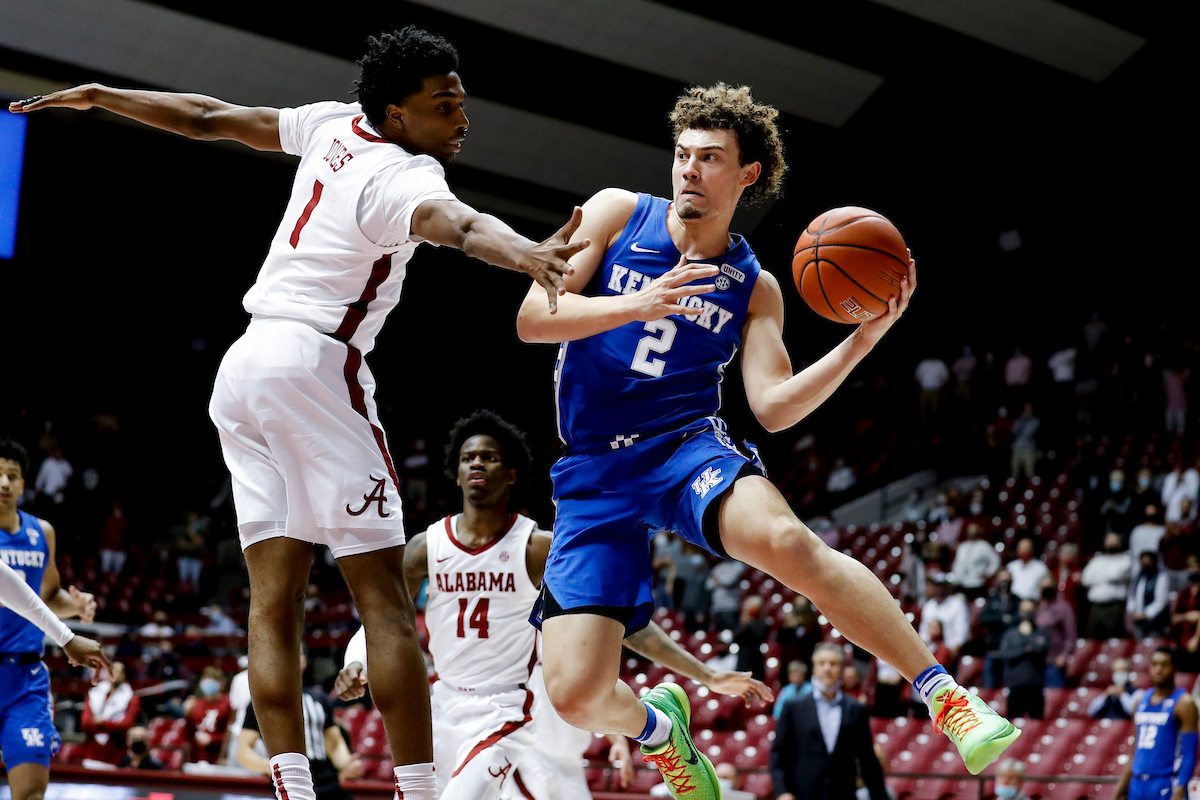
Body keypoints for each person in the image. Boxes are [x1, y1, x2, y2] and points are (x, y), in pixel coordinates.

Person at [11, 26, 587, 800]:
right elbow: (462, 228)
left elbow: (207, 116)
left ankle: (290, 786)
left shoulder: (326, 123)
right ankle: (419, 794)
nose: (462, 119)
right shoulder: (405, 175)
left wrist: (107, 96)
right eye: (443, 105)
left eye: (461, 103)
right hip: (315, 365)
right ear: (395, 112)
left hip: (242, 366)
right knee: (381, 594)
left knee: (272, 601)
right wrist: (527, 254)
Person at [514, 82, 1017, 792]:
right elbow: (533, 317)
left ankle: (946, 696)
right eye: (682, 154)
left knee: (788, 542)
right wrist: (637, 302)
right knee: (575, 694)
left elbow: (773, 407)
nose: (688, 168)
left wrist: (861, 342)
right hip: (594, 471)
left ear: (747, 174)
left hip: (683, 446)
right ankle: (663, 728)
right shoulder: (615, 212)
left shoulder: (755, 286)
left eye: (710, 157)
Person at [335, 410, 771, 799]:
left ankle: (661, 730)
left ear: (510, 473)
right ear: (455, 472)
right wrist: (359, 660)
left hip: (507, 712)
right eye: (468, 458)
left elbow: (624, 624)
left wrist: (706, 673)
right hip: (441, 706)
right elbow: (383, 620)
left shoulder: (535, 548)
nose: (477, 464)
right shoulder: (424, 548)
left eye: (488, 457)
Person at [1, 438, 108, 799]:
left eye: (11, 476)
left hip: (25, 677)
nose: (3, 483)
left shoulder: (41, 532)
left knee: (31, 792)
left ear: (23, 484)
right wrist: (66, 635)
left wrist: (77, 607)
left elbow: (46, 597)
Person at [770, 643, 888, 800]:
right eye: (821, 663)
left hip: (843, 794)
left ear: (841, 669)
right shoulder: (793, 707)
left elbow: (868, 760)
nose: (827, 668)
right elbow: (778, 755)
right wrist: (783, 792)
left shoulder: (855, 709)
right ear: (814, 668)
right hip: (803, 794)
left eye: (833, 663)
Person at [239, 654, 363, 800]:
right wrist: (268, 766)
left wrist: (347, 764)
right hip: (290, 776)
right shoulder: (263, 702)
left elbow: (334, 743)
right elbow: (243, 750)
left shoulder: (319, 698)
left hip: (325, 777)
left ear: (303, 660)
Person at [1114, 647, 1198, 800]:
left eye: (1164, 665)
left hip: (1167, 783)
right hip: (1138, 783)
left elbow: (1190, 755)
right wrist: (1119, 790)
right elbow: (1134, 753)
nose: (1158, 669)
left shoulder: (1184, 704)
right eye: (1154, 664)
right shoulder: (1140, 701)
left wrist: (1180, 789)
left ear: (1174, 668)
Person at [991, 600, 1049, 719]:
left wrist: (1027, 636)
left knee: (1036, 725)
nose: (1027, 614)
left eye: (1030, 611)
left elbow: (1041, 649)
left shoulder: (1043, 633)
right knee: (1014, 723)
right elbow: (1005, 654)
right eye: (1024, 610)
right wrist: (1026, 650)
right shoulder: (1010, 634)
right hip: (1015, 685)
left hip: (1035, 686)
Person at [81, 660, 142, 764]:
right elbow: (85, 724)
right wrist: (111, 725)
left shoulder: (131, 698)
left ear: (124, 675)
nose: (115, 674)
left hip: (115, 754)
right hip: (91, 752)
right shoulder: (94, 694)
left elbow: (126, 725)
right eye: (112, 671)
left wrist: (102, 722)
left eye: (119, 672)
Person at [1082, 533, 1134, 639]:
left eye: (1114, 541)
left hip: (1114, 606)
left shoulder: (1126, 559)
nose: (1111, 544)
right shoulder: (1097, 560)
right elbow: (1086, 579)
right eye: (1108, 541)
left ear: (1120, 543)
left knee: (1114, 638)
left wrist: (1098, 576)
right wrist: (1106, 577)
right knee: (1093, 637)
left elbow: (1115, 576)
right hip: (1096, 607)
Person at [184, 666, 232, 763]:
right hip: (197, 757)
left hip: (217, 757)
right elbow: (188, 734)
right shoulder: (196, 705)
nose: (208, 683)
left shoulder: (228, 704)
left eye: (212, 679)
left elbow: (230, 734)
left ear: (221, 684)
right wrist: (187, 716)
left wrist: (212, 739)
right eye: (205, 679)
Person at [1035, 577, 1076, 688]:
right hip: (1035, 663)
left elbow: (1070, 635)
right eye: (1044, 586)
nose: (1046, 589)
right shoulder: (1035, 607)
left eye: (1049, 586)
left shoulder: (1063, 607)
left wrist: (1064, 655)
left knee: (1053, 696)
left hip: (1054, 662)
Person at [1128, 551, 1171, 639]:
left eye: (1147, 560)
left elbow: (1160, 601)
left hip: (1155, 621)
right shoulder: (1138, 577)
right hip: (1138, 620)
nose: (1145, 563)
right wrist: (1133, 611)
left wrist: (1146, 614)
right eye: (1143, 560)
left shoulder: (1161, 576)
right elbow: (1131, 596)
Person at [952, 523, 1001, 600]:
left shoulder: (984, 546)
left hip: (977, 583)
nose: (971, 532)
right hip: (962, 583)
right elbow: (957, 563)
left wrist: (988, 573)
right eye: (970, 530)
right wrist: (956, 577)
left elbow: (995, 561)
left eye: (974, 530)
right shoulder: (962, 546)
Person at [1006, 538, 1049, 603]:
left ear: (1031, 549)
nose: (1023, 551)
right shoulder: (1011, 566)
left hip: (1032, 602)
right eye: (1021, 548)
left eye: (1026, 548)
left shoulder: (1040, 568)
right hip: (1013, 602)